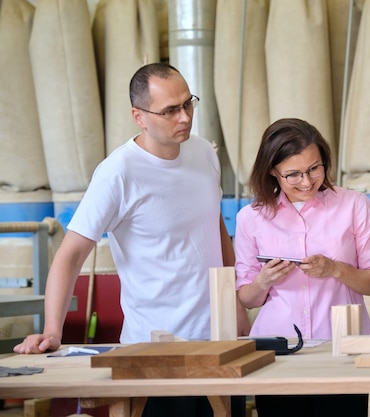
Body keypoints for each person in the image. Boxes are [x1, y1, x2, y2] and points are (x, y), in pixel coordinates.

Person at [14, 62, 250, 417]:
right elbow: (70, 256)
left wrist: (236, 301)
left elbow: (215, 226)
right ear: (138, 116)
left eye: (188, 104)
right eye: (170, 110)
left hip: (217, 339)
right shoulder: (117, 174)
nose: (184, 117)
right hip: (153, 349)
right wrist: (52, 330)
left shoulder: (203, 153)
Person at [235, 117, 370, 417]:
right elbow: (246, 298)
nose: (306, 181)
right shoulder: (250, 217)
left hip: (343, 348)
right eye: (293, 174)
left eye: (315, 168)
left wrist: (335, 269)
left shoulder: (354, 205)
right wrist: (264, 281)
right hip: (277, 354)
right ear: (272, 172)